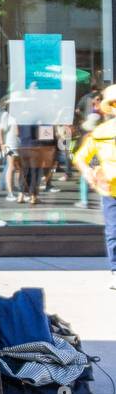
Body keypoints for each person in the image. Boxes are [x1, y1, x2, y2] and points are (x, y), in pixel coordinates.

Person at [74, 84, 116, 290]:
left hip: (108, 188)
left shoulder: (101, 132)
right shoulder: (101, 132)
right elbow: (81, 157)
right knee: (114, 231)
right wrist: (88, 172)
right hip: (110, 190)